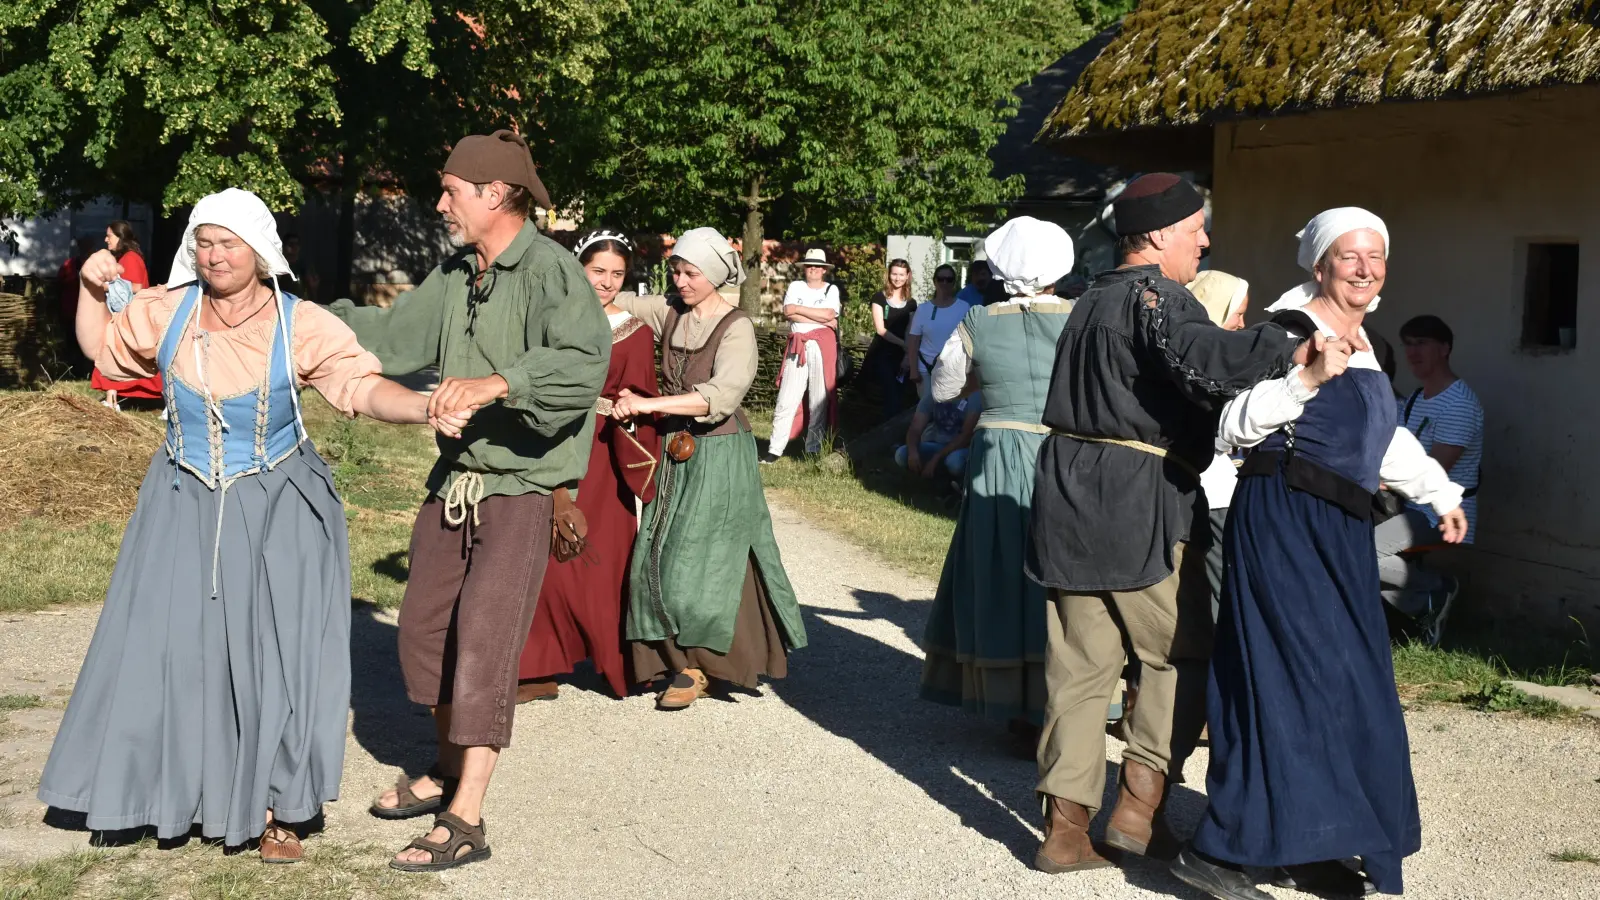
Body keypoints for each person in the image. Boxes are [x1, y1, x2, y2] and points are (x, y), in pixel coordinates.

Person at [39, 188, 451, 864]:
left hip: (278, 507)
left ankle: (275, 808)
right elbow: (103, 349)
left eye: (228, 243)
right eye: (204, 242)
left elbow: (358, 386)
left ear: (260, 253)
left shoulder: (300, 323)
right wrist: (89, 287)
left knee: (271, 660)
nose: (214, 255)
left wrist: (421, 407)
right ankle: (168, 794)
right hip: (180, 499)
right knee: (174, 650)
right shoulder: (168, 313)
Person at [330, 129, 611, 871]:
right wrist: (294, 320)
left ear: (494, 194)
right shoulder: (457, 271)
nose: (440, 201)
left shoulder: (553, 271)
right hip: (453, 484)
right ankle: (450, 762)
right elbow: (390, 337)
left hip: (521, 490)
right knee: (422, 634)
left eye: (451, 189)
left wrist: (499, 383)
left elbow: (585, 365)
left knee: (486, 643)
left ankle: (467, 817)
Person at [1172, 209, 1467, 900]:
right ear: (1319, 264)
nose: (1365, 268)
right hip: (1283, 519)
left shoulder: (1363, 343)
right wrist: (1302, 381)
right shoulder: (1283, 332)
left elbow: (1384, 439)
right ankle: (1223, 851)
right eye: (1349, 256)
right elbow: (1230, 426)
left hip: (1339, 531)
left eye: (1376, 257)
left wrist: (1439, 493)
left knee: (1344, 685)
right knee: (1284, 679)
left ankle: (1311, 839)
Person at [1028, 173, 1302, 875]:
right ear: (1155, 235)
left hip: (1066, 493)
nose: (1205, 242)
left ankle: (1064, 833)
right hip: (1134, 497)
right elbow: (1206, 363)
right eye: (1195, 230)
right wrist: (1290, 338)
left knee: (1080, 671)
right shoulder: (1155, 295)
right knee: (1179, 655)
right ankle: (1139, 813)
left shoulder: (1089, 296)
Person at [609, 228, 808, 710]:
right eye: (676, 271)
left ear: (715, 275)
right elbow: (618, 304)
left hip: (718, 453)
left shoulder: (736, 327)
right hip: (676, 453)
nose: (680, 280)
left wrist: (648, 404)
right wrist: (592, 275)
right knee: (658, 551)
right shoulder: (670, 311)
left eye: (691, 273)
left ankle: (704, 664)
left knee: (708, 557)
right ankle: (672, 657)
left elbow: (720, 397)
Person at [919, 217, 1076, 739]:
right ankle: (1068, 698)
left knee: (1004, 568)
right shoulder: (1079, 317)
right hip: (1065, 451)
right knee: (1064, 571)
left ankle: (1013, 702)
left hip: (1001, 449)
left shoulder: (979, 321)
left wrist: (983, 375)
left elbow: (943, 389)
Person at [516, 230, 660, 702]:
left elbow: (643, 396)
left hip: (602, 451)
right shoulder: (549, 318)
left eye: (617, 274)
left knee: (603, 558)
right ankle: (539, 668)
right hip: (547, 442)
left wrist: (630, 407)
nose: (607, 282)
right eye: (598, 271)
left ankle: (616, 661)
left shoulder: (634, 331)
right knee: (544, 553)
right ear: (579, 268)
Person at [1374, 314, 1482, 639]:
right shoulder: (1418, 398)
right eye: (1408, 344)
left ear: (1445, 348)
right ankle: (1422, 605)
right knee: (1341, 544)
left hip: (1442, 514)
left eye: (1422, 343)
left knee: (1359, 555)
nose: (1412, 352)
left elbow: (1435, 471)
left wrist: (1382, 479)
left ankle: (1435, 592)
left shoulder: (1459, 403)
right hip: (1405, 507)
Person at [1188, 269, 1252, 619]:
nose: (1243, 324)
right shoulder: (1207, 366)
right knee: (1220, 583)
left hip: (1206, 489)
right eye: (1238, 314)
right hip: (1212, 492)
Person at [765, 248, 841, 460]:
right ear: (805, 268)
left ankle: (813, 448)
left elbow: (830, 314)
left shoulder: (831, 290)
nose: (813, 269)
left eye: (817, 266)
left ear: (824, 269)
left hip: (822, 347)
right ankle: (774, 448)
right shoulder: (796, 286)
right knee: (787, 397)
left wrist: (801, 310)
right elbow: (789, 312)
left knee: (819, 398)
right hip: (798, 344)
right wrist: (822, 320)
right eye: (810, 265)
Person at [90, 220, 163, 409]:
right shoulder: (125, 257)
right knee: (113, 354)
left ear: (120, 237)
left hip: (133, 317)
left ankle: (114, 397)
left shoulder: (130, 258)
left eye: (109, 236)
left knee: (124, 356)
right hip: (126, 315)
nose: (106, 240)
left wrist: (103, 286)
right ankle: (111, 396)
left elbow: (137, 286)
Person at [862, 258, 918, 417]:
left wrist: (907, 355)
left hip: (902, 356)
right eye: (894, 274)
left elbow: (911, 329)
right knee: (889, 395)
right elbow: (881, 329)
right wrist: (905, 345)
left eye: (901, 274)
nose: (897, 278)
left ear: (907, 276)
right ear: (889, 275)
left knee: (901, 396)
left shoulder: (912, 303)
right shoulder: (879, 298)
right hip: (882, 353)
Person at [903, 263, 971, 391]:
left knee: (951, 409)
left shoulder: (964, 307)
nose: (944, 283)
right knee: (927, 408)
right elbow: (914, 341)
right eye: (941, 279)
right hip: (926, 368)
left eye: (949, 279)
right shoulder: (923, 309)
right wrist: (913, 370)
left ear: (954, 283)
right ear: (935, 281)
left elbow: (969, 339)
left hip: (954, 369)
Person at [894, 388, 981, 483]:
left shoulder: (974, 394)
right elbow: (915, 428)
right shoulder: (935, 391)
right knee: (901, 454)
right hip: (936, 445)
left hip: (961, 448)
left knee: (954, 462)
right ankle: (932, 477)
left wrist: (936, 458)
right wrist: (912, 452)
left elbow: (966, 435)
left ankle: (957, 484)